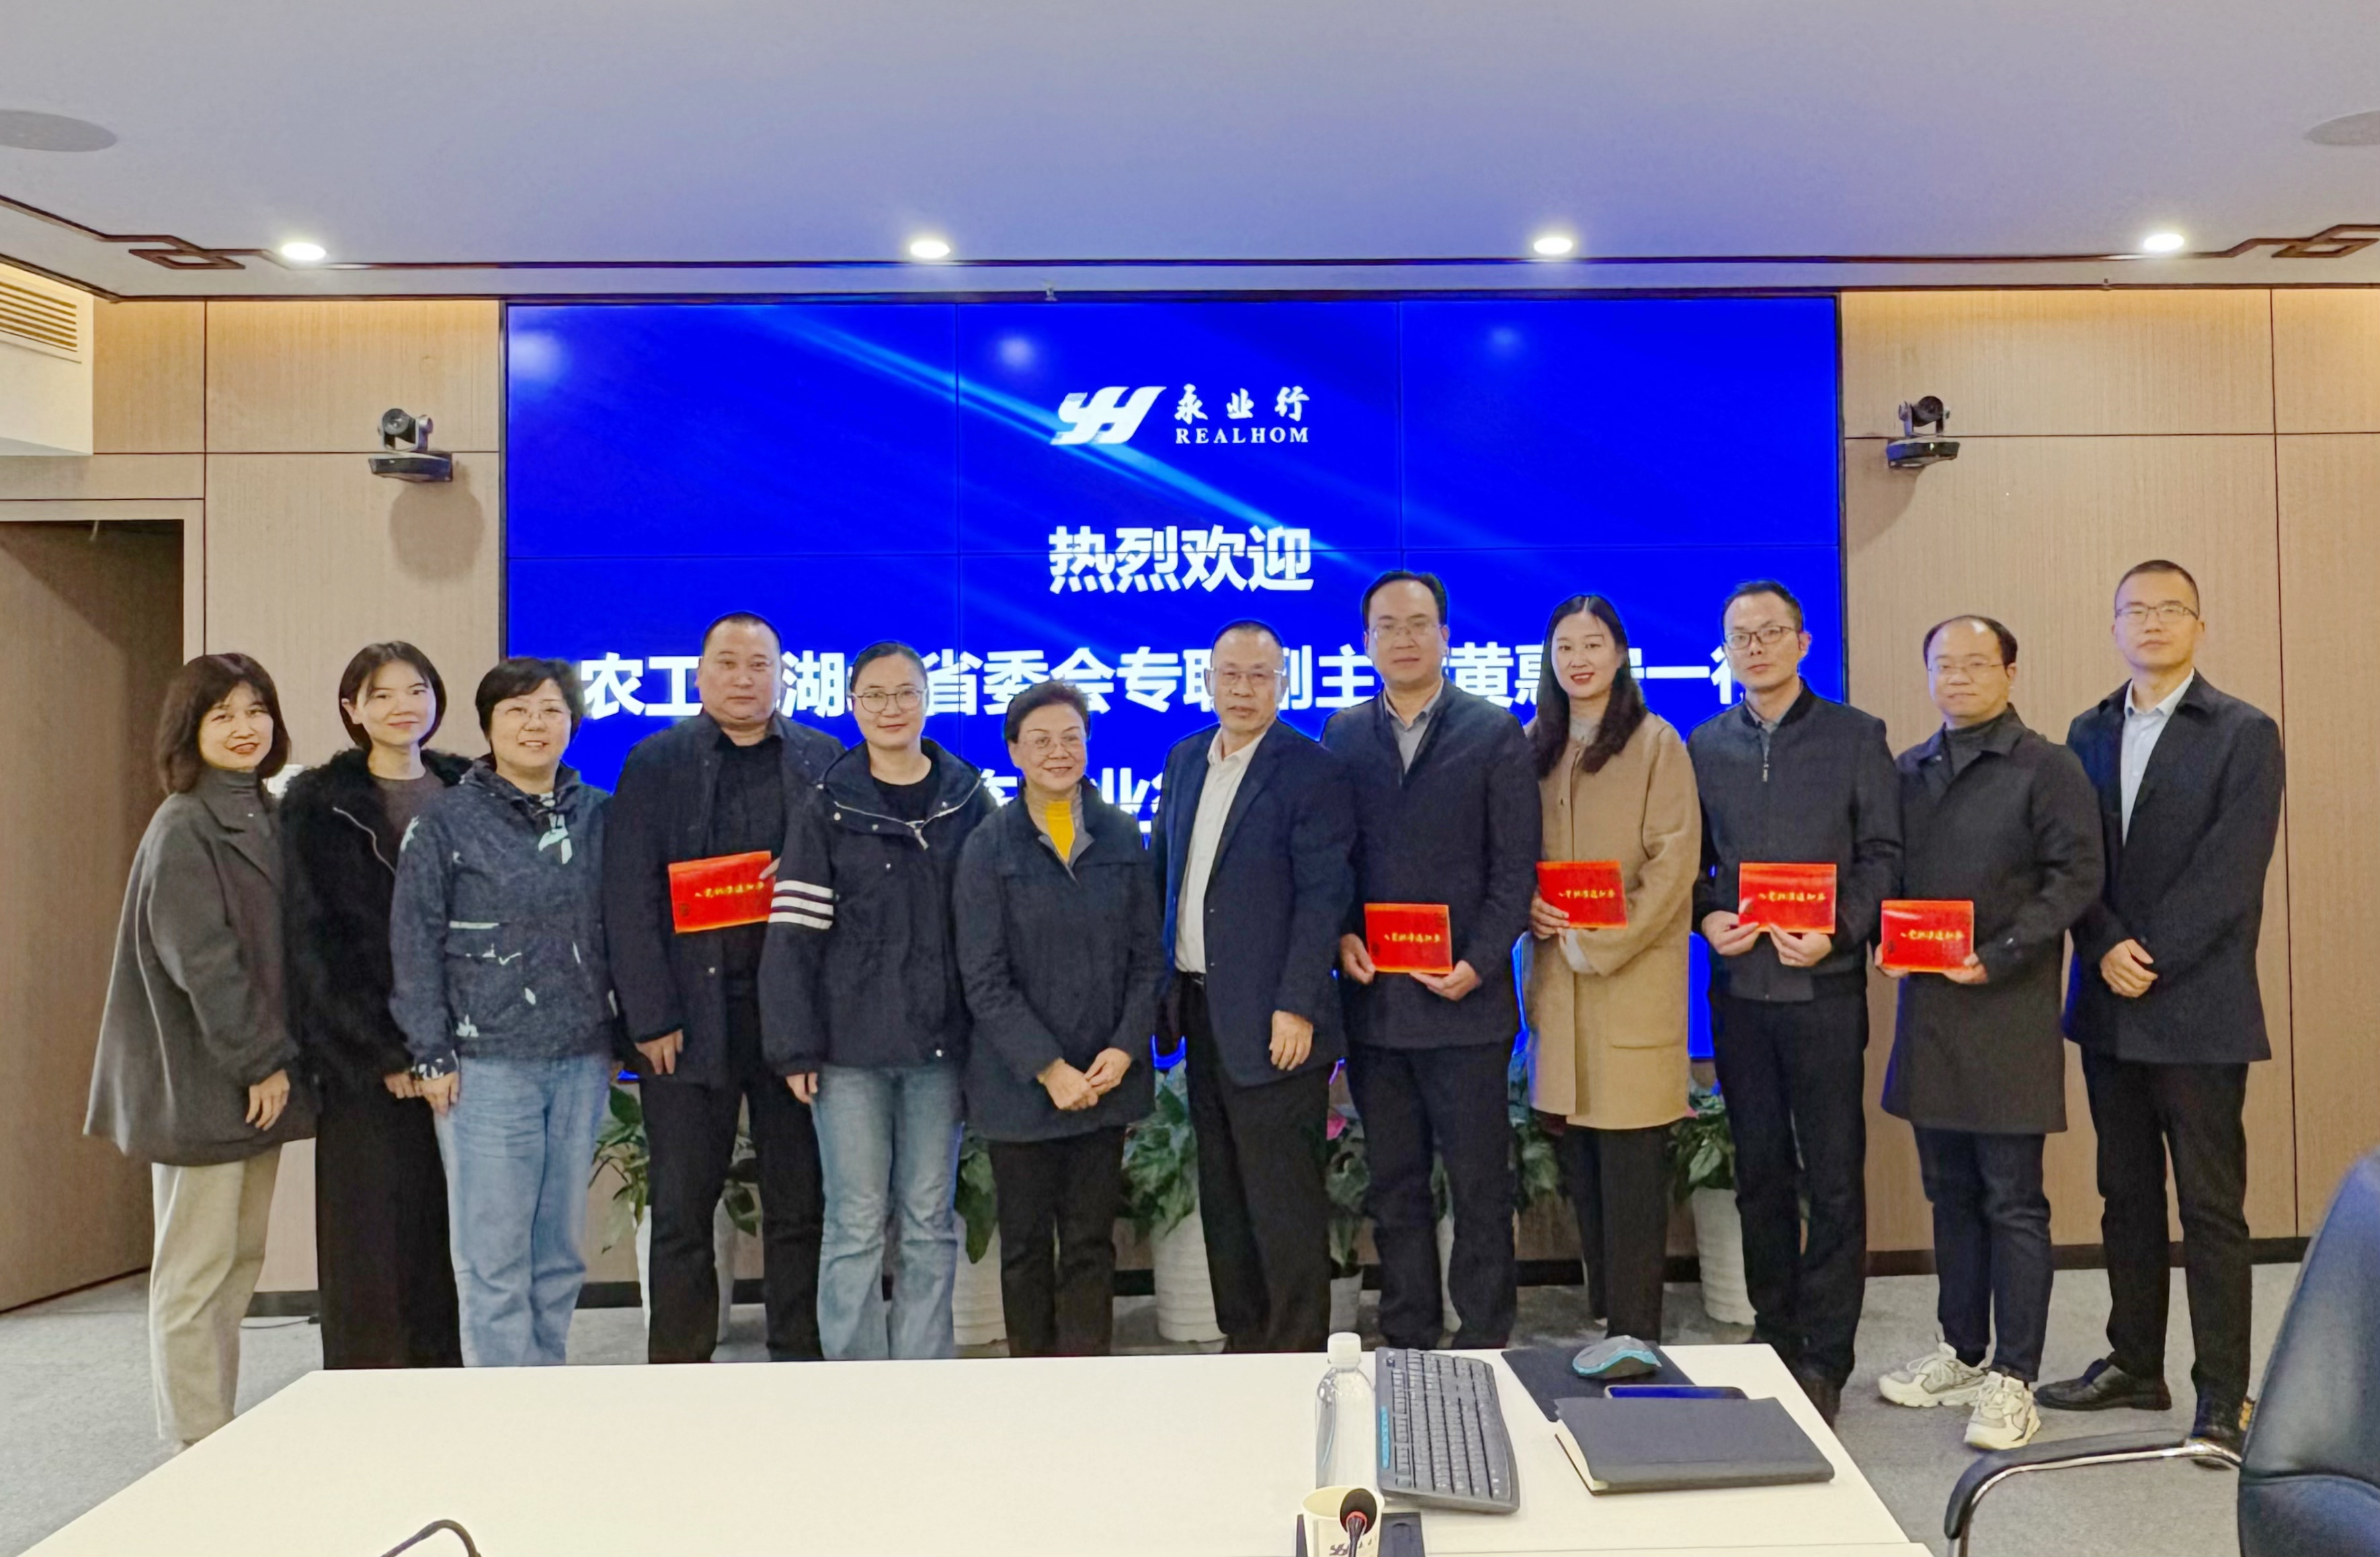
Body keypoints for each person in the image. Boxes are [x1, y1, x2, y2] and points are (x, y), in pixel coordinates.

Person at [2037, 561, 2284, 1458]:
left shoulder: (2243, 732)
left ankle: (2222, 1394)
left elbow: (2232, 869)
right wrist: (2104, 942)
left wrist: (2152, 955)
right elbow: (2074, 859)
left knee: (2211, 1208)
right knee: (2125, 1194)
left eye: (2168, 609)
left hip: (2198, 1005)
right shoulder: (2087, 729)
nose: (2150, 622)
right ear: (2113, 626)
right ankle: (2134, 1363)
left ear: (2198, 625)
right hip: (2109, 1000)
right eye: (2133, 610)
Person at [1872, 617, 2102, 1451]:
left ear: (2010, 671)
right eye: (1944, 664)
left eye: (1976, 663)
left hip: (2007, 1008)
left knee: (2012, 1200)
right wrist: (1885, 939)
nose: (1959, 677)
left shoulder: (2048, 767)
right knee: (1950, 1193)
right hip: (1930, 1011)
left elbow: (2077, 877)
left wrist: (1999, 952)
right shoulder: (1909, 769)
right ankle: (1964, 1352)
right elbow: (1888, 874)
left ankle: (2015, 1377)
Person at [87, 653, 315, 1448]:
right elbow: (204, 961)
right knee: (194, 1271)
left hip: (254, 1078)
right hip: (208, 1077)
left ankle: (213, 1427)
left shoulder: (264, 811)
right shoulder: (185, 824)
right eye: (222, 715)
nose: (244, 727)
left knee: (237, 1260)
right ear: (189, 730)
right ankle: (195, 1441)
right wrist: (261, 1060)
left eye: (256, 710)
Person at [1688, 579, 1900, 1425]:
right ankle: (1773, 1332)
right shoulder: (1705, 743)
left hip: (1823, 989)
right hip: (1742, 992)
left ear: (1803, 642)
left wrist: (1840, 930)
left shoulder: (1855, 736)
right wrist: (1708, 914)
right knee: (1759, 1172)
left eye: (1771, 632)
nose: (1756, 647)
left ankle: (1826, 1352)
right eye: (1740, 636)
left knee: (1834, 1176)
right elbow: (1695, 866)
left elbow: (1883, 856)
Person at [604, 612, 840, 1363]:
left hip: (790, 1019)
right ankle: (680, 1367)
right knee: (682, 1207)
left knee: (799, 1200)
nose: (744, 678)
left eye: (760, 664)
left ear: (783, 675)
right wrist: (649, 1016)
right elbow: (628, 898)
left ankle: (797, 1354)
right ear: (700, 672)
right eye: (728, 663)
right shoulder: (655, 761)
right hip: (686, 1017)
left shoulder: (822, 759)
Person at [762, 641, 994, 1361]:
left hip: (939, 1048)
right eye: (875, 695)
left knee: (928, 1219)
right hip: (847, 1051)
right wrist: (794, 1046)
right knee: (855, 1222)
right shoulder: (826, 803)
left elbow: (991, 929)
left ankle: (922, 1374)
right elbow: (793, 936)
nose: (891, 708)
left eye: (905, 693)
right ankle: (855, 1379)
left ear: (927, 699)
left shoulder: (967, 797)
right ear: (852, 705)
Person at [1325, 571, 1539, 1350]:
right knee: (1394, 1183)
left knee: (1480, 1185)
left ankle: (1484, 1332)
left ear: (1445, 635)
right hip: (1377, 1005)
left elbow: (1514, 868)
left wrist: (1478, 963)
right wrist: (1342, 934)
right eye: (1387, 626)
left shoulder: (1493, 731)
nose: (1404, 639)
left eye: (1418, 624)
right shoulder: (1343, 733)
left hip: (1467, 1006)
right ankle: (1408, 1329)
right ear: (1366, 641)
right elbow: (1332, 860)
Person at [390, 658, 619, 1367]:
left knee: (558, 1250)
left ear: (572, 722)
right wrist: (429, 1051)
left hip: (580, 1056)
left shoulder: (600, 814)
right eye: (517, 711)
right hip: (485, 1063)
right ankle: (501, 1406)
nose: (535, 724)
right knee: (493, 1255)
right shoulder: (446, 821)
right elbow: (414, 941)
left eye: (550, 710)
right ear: (488, 726)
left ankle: (542, 1386)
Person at [1150, 620, 1356, 1353]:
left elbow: (1322, 898)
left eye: (1259, 676)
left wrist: (1297, 1003)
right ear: (1207, 680)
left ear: (1283, 684)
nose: (1242, 690)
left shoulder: (1310, 770)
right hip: (1201, 1009)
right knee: (1225, 1190)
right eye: (1230, 675)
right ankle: (1243, 1339)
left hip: (1275, 1020)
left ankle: (1294, 1349)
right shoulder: (1184, 759)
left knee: (1283, 1199)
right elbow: (1165, 875)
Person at [954, 680, 1160, 1356]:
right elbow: (983, 977)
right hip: (1020, 1087)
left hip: (1103, 1081)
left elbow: (1147, 959)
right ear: (1014, 751)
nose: (1058, 751)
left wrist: (1124, 1049)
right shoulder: (988, 844)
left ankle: (1088, 1381)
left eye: (1071, 737)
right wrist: (1048, 1067)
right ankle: (1033, 1385)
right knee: (1024, 1248)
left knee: (1090, 1243)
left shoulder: (1121, 833)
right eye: (1040, 740)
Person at [281, 642, 467, 1370]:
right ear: (352, 709)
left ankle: (446, 1381)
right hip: (368, 1061)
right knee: (372, 1235)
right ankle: (368, 1390)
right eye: (381, 695)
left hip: (463, 1049)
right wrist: (384, 1050)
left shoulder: (467, 789)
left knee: (445, 1228)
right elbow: (313, 944)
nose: (402, 707)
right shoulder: (319, 806)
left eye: (416, 690)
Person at [1520, 595, 1698, 1346]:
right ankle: (1603, 1312)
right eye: (1565, 646)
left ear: (1620, 653)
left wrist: (1601, 943)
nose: (1578, 659)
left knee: (1630, 1166)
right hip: (1557, 982)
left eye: (1593, 644)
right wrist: (1526, 903)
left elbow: (1673, 866)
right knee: (1582, 1160)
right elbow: (1508, 848)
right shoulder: (1533, 742)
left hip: (1629, 979)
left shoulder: (1657, 742)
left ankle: (1635, 1330)